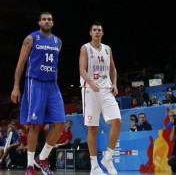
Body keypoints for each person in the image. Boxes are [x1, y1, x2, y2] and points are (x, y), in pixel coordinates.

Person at [11, 11, 66, 175]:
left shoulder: (58, 41)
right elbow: (20, 64)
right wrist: (16, 86)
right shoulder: (31, 38)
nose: (47, 22)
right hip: (35, 83)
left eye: (49, 19)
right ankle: (29, 167)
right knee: (35, 125)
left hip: (52, 85)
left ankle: (42, 158)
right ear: (39, 23)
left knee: (60, 122)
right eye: (44, 19)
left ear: (53, 23)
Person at [79, 22, 121, 175]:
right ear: (90, 33)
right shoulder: (85, 48)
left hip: (106, 90)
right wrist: (90, 82)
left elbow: (113, 69)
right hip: (90, 90)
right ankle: (94, 166)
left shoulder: (107, 49)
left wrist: (115, 84)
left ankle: (108, 158)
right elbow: (82, 70)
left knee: (117, 121)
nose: (97, 32)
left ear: (102, 33)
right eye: (94, 30)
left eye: (99, 30)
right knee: (93, 128)